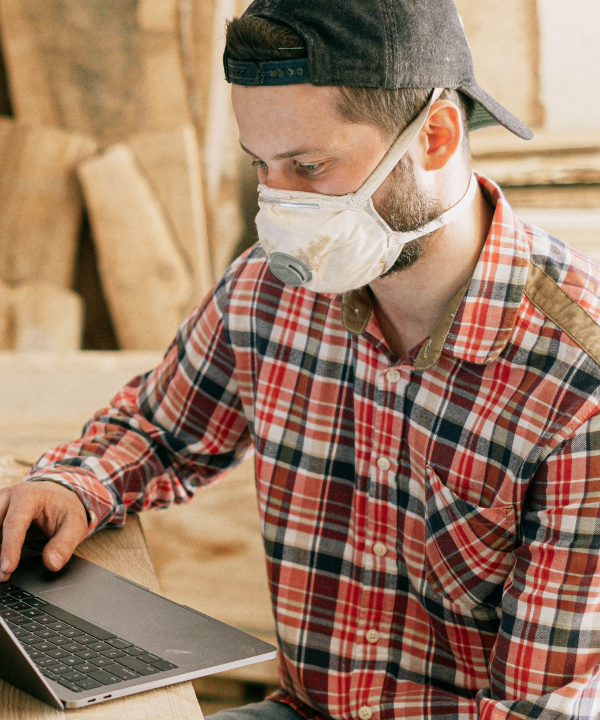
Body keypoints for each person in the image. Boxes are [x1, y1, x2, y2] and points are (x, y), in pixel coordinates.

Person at [2, 1, 600, 718]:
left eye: (310, 165)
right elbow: (160, 433)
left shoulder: (578, 383)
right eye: (263, 165)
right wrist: (72, 484)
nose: (280, 203)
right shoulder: (273, 290)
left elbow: (539, 710)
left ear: (436, 135)